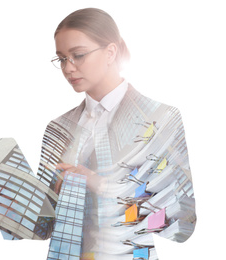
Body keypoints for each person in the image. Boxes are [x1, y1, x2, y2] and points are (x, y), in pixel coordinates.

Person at [45, 7, 196, 260]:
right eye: (61, 59)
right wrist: (13, 211)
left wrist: (102, 185)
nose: (68, 68)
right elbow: (44, 228)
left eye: (78, 55)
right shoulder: (58, 128)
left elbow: (181, 223)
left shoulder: (159, 119)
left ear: (111, 52)